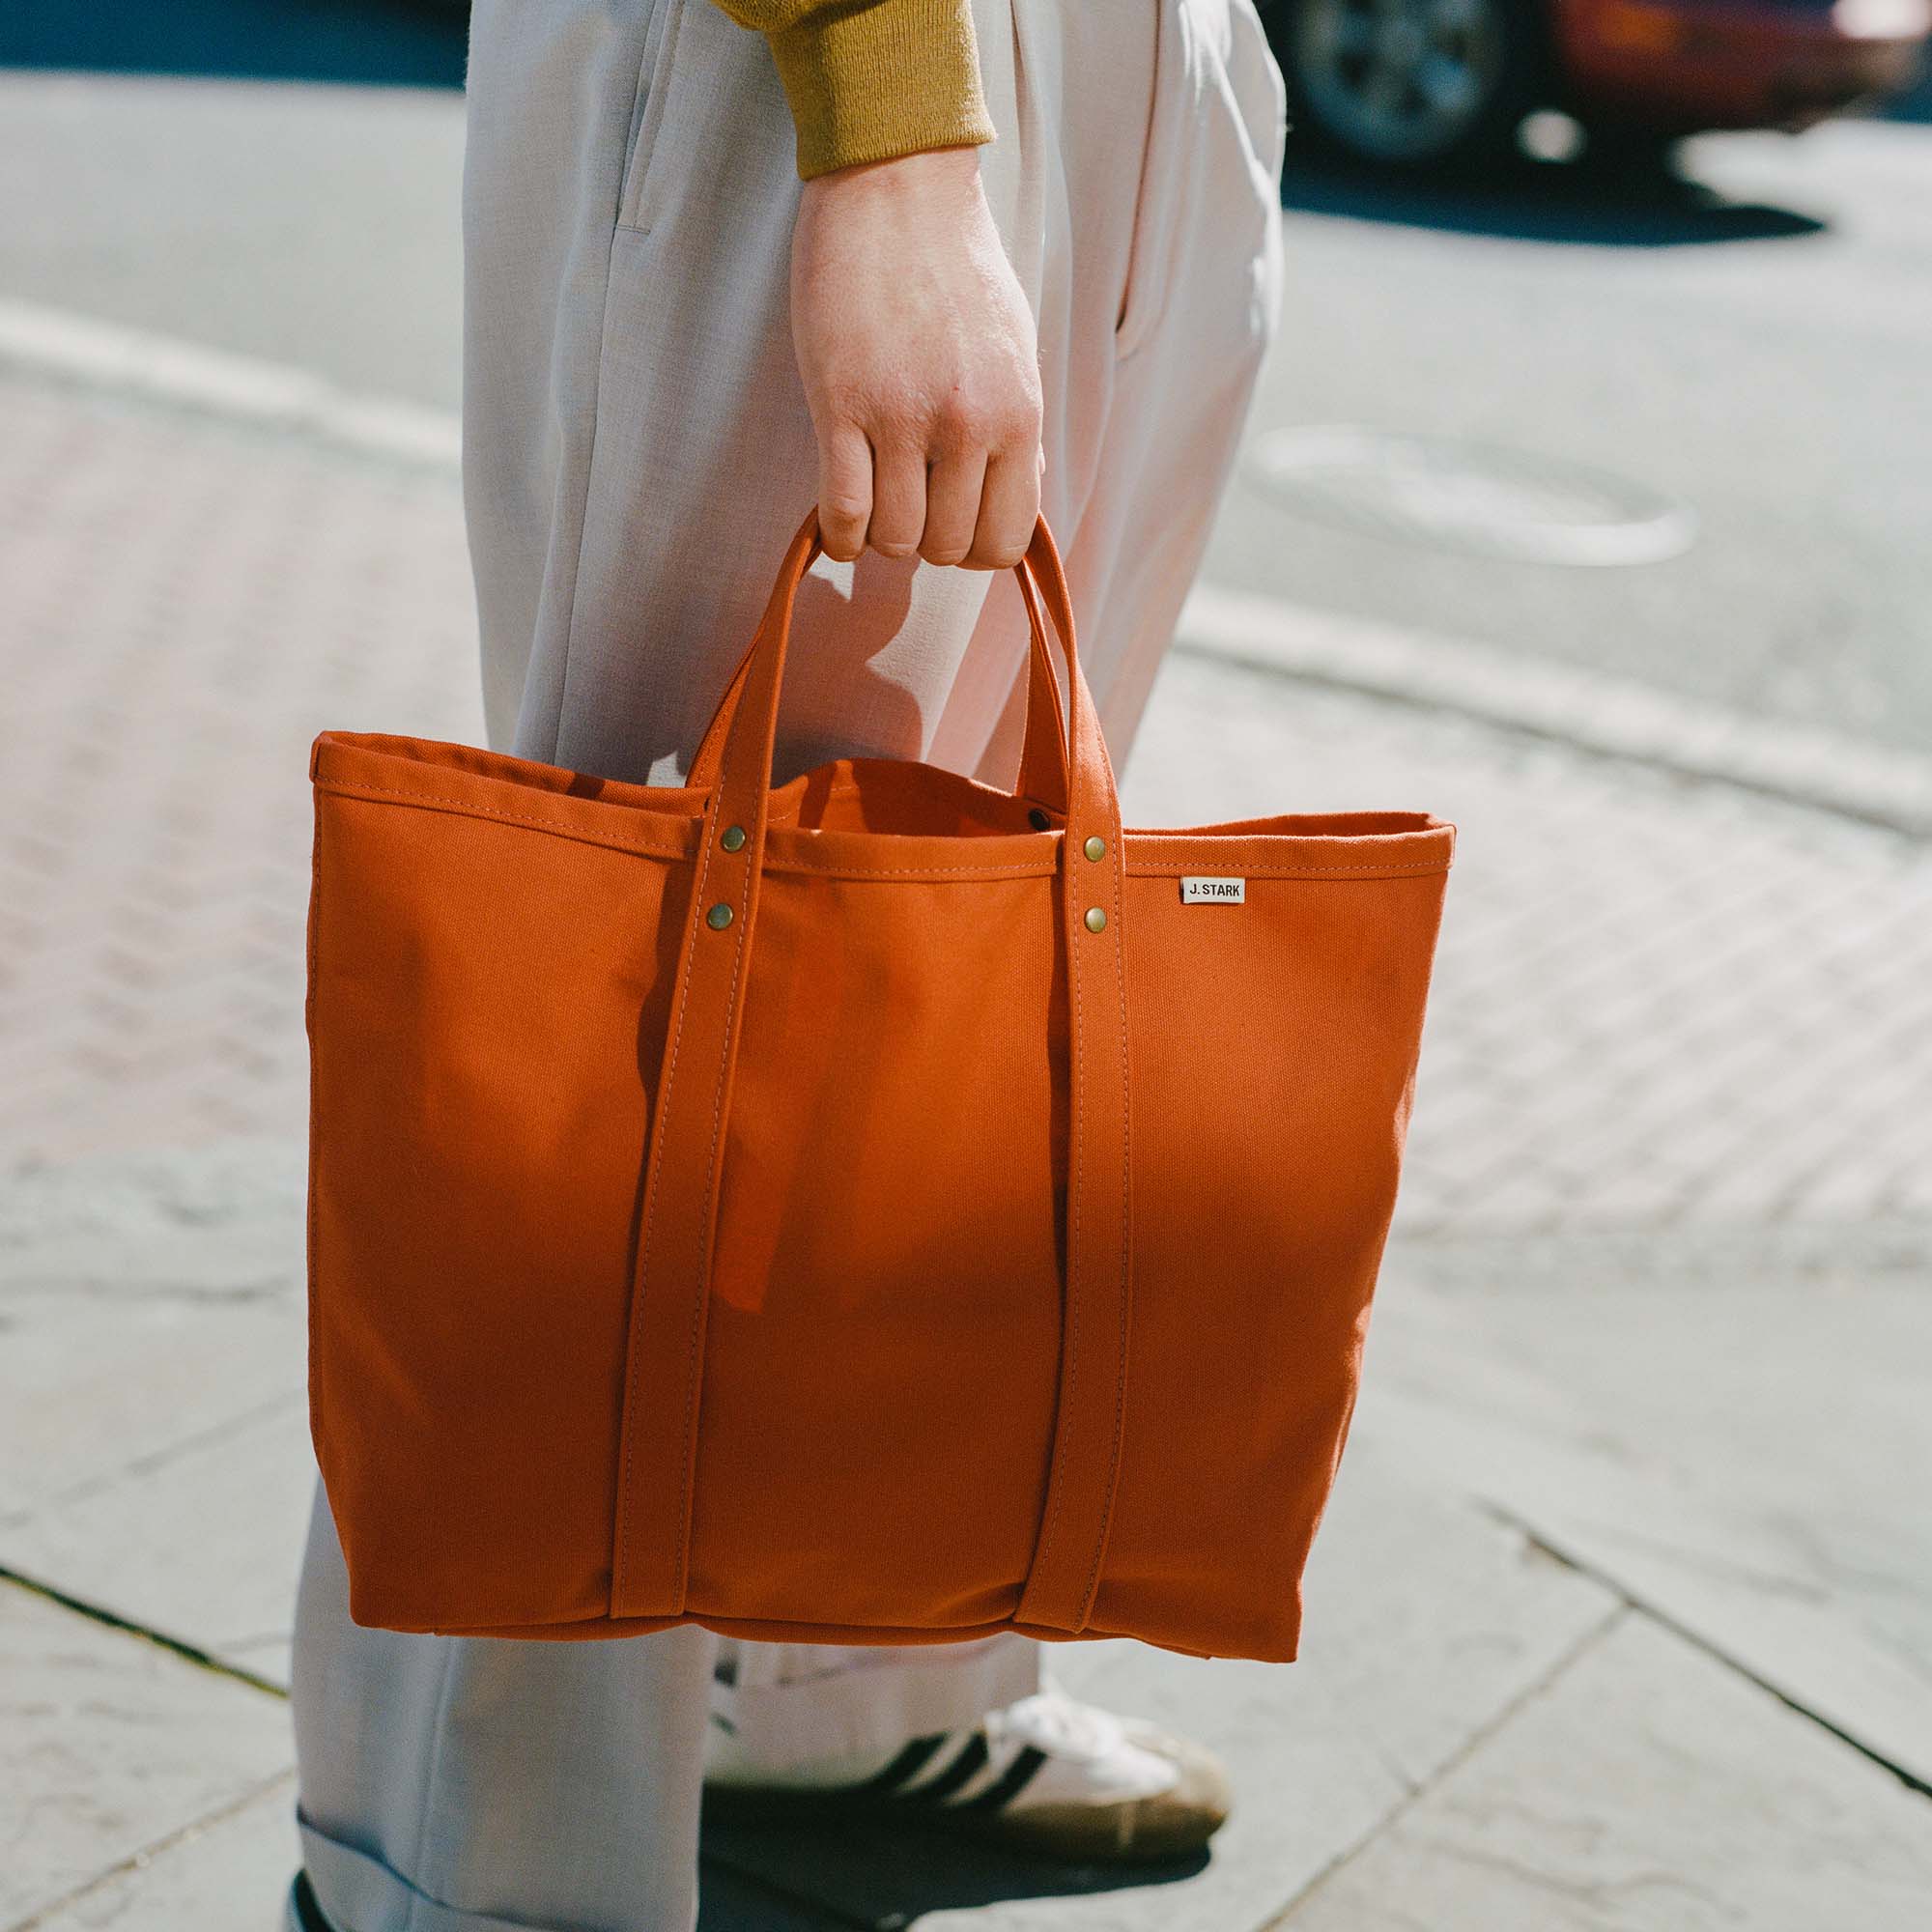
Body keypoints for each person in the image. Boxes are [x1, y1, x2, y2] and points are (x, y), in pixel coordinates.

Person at [286, 1, 1287, 1926]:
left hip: (1151, 45)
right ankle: (463, 1872)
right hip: (826, 57)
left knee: (942, 951)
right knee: (619, 994)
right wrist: (886, 120)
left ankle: (842, 1685)